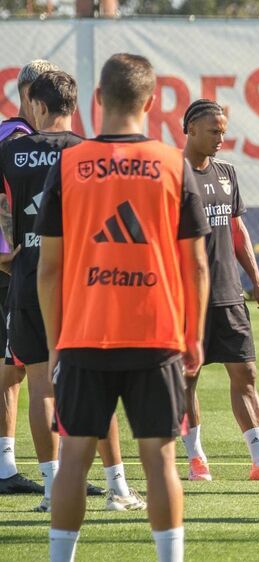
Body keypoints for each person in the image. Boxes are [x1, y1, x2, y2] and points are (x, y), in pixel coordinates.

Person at [39, 53, 210, 561]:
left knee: (73, 459)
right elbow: (197, 266)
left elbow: (48, 269)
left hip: (84, 335)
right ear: (152, 103)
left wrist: (55, 347)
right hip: (156, 334)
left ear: (97, 100)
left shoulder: (69, 164)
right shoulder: (172, 164)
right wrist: (194, 337)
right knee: (159, 460)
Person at [0, 70, 147, 513]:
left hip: (29, 275)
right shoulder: (93, 153)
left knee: (43, 384)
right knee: (96, 382)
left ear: (37, 107)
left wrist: (9, 251)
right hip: (89, 278)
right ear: (75, 107)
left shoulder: (8, 153)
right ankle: (117, 487)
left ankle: (51, 489)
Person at [178, 99, 259, 482]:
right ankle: (196, 458)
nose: (222, 138)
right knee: (187, 379)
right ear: (191, 130)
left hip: (228, 294)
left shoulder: (226, 173)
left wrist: (257, 280)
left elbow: (237, 230)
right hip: (187, 299)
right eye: (214, 131)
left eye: (223, 130)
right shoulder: (171, 174)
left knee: (246, 374)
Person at [0, 59, 57, 496]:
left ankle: (7, 466)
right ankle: (7, 469)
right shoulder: (13, 137)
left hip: (24, 269)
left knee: (15, 370)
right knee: (15, 370)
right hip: (16, 271)